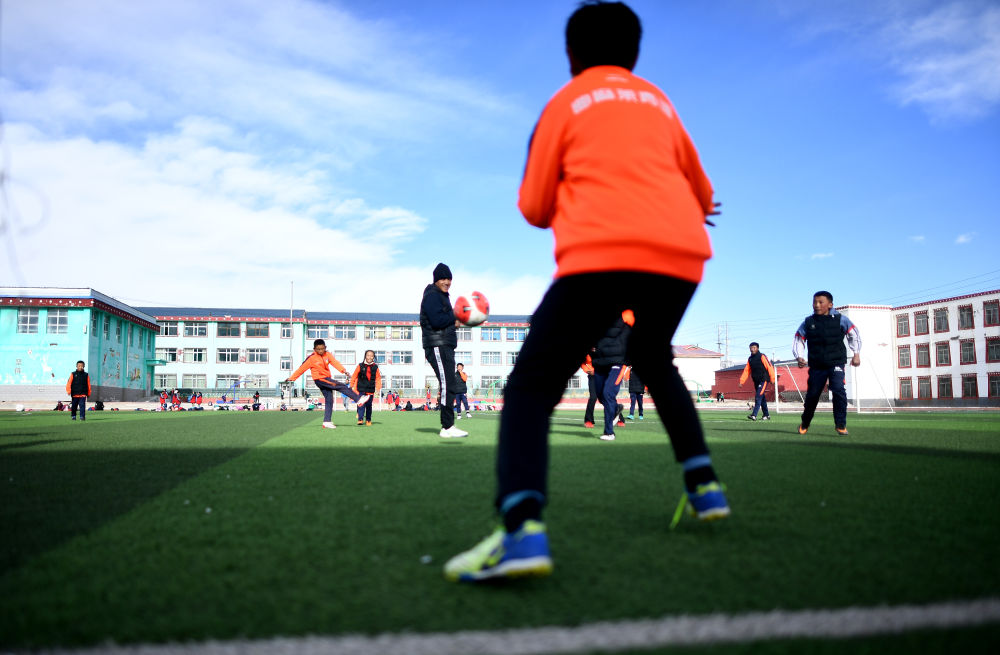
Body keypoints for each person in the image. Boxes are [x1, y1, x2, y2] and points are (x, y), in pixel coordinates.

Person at [444, 1, 727, 583]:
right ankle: (704, 484)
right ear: (635, 52)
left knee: (530, 386)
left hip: (603, 254)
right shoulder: (658, 101)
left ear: (571, 54)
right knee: (654, 358)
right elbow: (702, 190)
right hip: (681, 255)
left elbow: (533, 207)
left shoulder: (564, 102)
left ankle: (521, 531)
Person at [793, 291, 862, 436]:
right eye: (814, 302)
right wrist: (799, 357)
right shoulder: (808, 322)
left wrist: (856, 354)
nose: (817, 305)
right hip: (817, 365)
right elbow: (799, 339)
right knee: (813, 395)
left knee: (838, 390)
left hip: (836, 362)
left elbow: (854, 335)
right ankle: (805, 423)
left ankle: (841, 424)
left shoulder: (841, 319)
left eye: (820, 302)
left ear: (830, 305)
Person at [420, 262, 468, 438]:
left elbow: (443, 319)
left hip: (445, 344)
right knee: (448, 384)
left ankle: (449, 425)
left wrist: (454, 321)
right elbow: (436, 320)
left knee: (450, 384)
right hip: (437, 344)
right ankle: (446, 427)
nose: (447, 282)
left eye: (449, 279)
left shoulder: (442, 296)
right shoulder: (432, 295)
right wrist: (455, 315)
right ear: (436, 280)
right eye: (443, 279)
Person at [285, 339, 370, 429]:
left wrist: (343, 370)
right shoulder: (311, 358)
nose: (321, 351)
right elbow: (301, 369)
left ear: (325, 347)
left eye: (322, 349)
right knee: (340, 385)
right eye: (318, 349)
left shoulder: (328, 355)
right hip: (320, 379)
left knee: (329, 399)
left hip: (326, 378)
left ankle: (327, 421)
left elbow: (335, 362)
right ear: (314, 349)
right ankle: (358, 399)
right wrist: (291, 378)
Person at [591, 311, 632, 441]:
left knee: (608, 393)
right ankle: (616, 408)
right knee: (601, 396)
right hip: (599, 362)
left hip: (618, 362)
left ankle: (609, 432)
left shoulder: (627, 314)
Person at [739, 342, 776, 421]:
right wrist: (742, 381)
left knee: (758, 396)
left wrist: (772, 378)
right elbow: (746, 371)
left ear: (757, 348)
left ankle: (754, 415)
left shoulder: (762, 356)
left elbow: (769, 367)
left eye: (754, 348)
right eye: (751, 348)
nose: (752, 349)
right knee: (762, 398)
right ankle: (766, 415)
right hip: (756, 381)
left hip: (764, 380)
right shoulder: (750, 359)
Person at [351, 349, 382, 426]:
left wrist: (378, 388)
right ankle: (360, 419)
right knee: (361, 404)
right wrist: (351, 385)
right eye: (368, 355)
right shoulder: (360, 366)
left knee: (368, 406)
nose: (369, 357)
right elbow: (354, 376)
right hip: (361, 389)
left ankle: (368, 420)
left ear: (373, 357)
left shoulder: (375, 367)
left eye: (371, 356)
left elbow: (378, 378)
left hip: (370, 390)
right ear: (365, 356)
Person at [580, 355, 598, 428]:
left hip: (604, 375)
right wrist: (586, 370)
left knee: (607, 397)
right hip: (592, 377)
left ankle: (619, 417)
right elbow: (583, 363)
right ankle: (588, 420)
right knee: (593, 397)